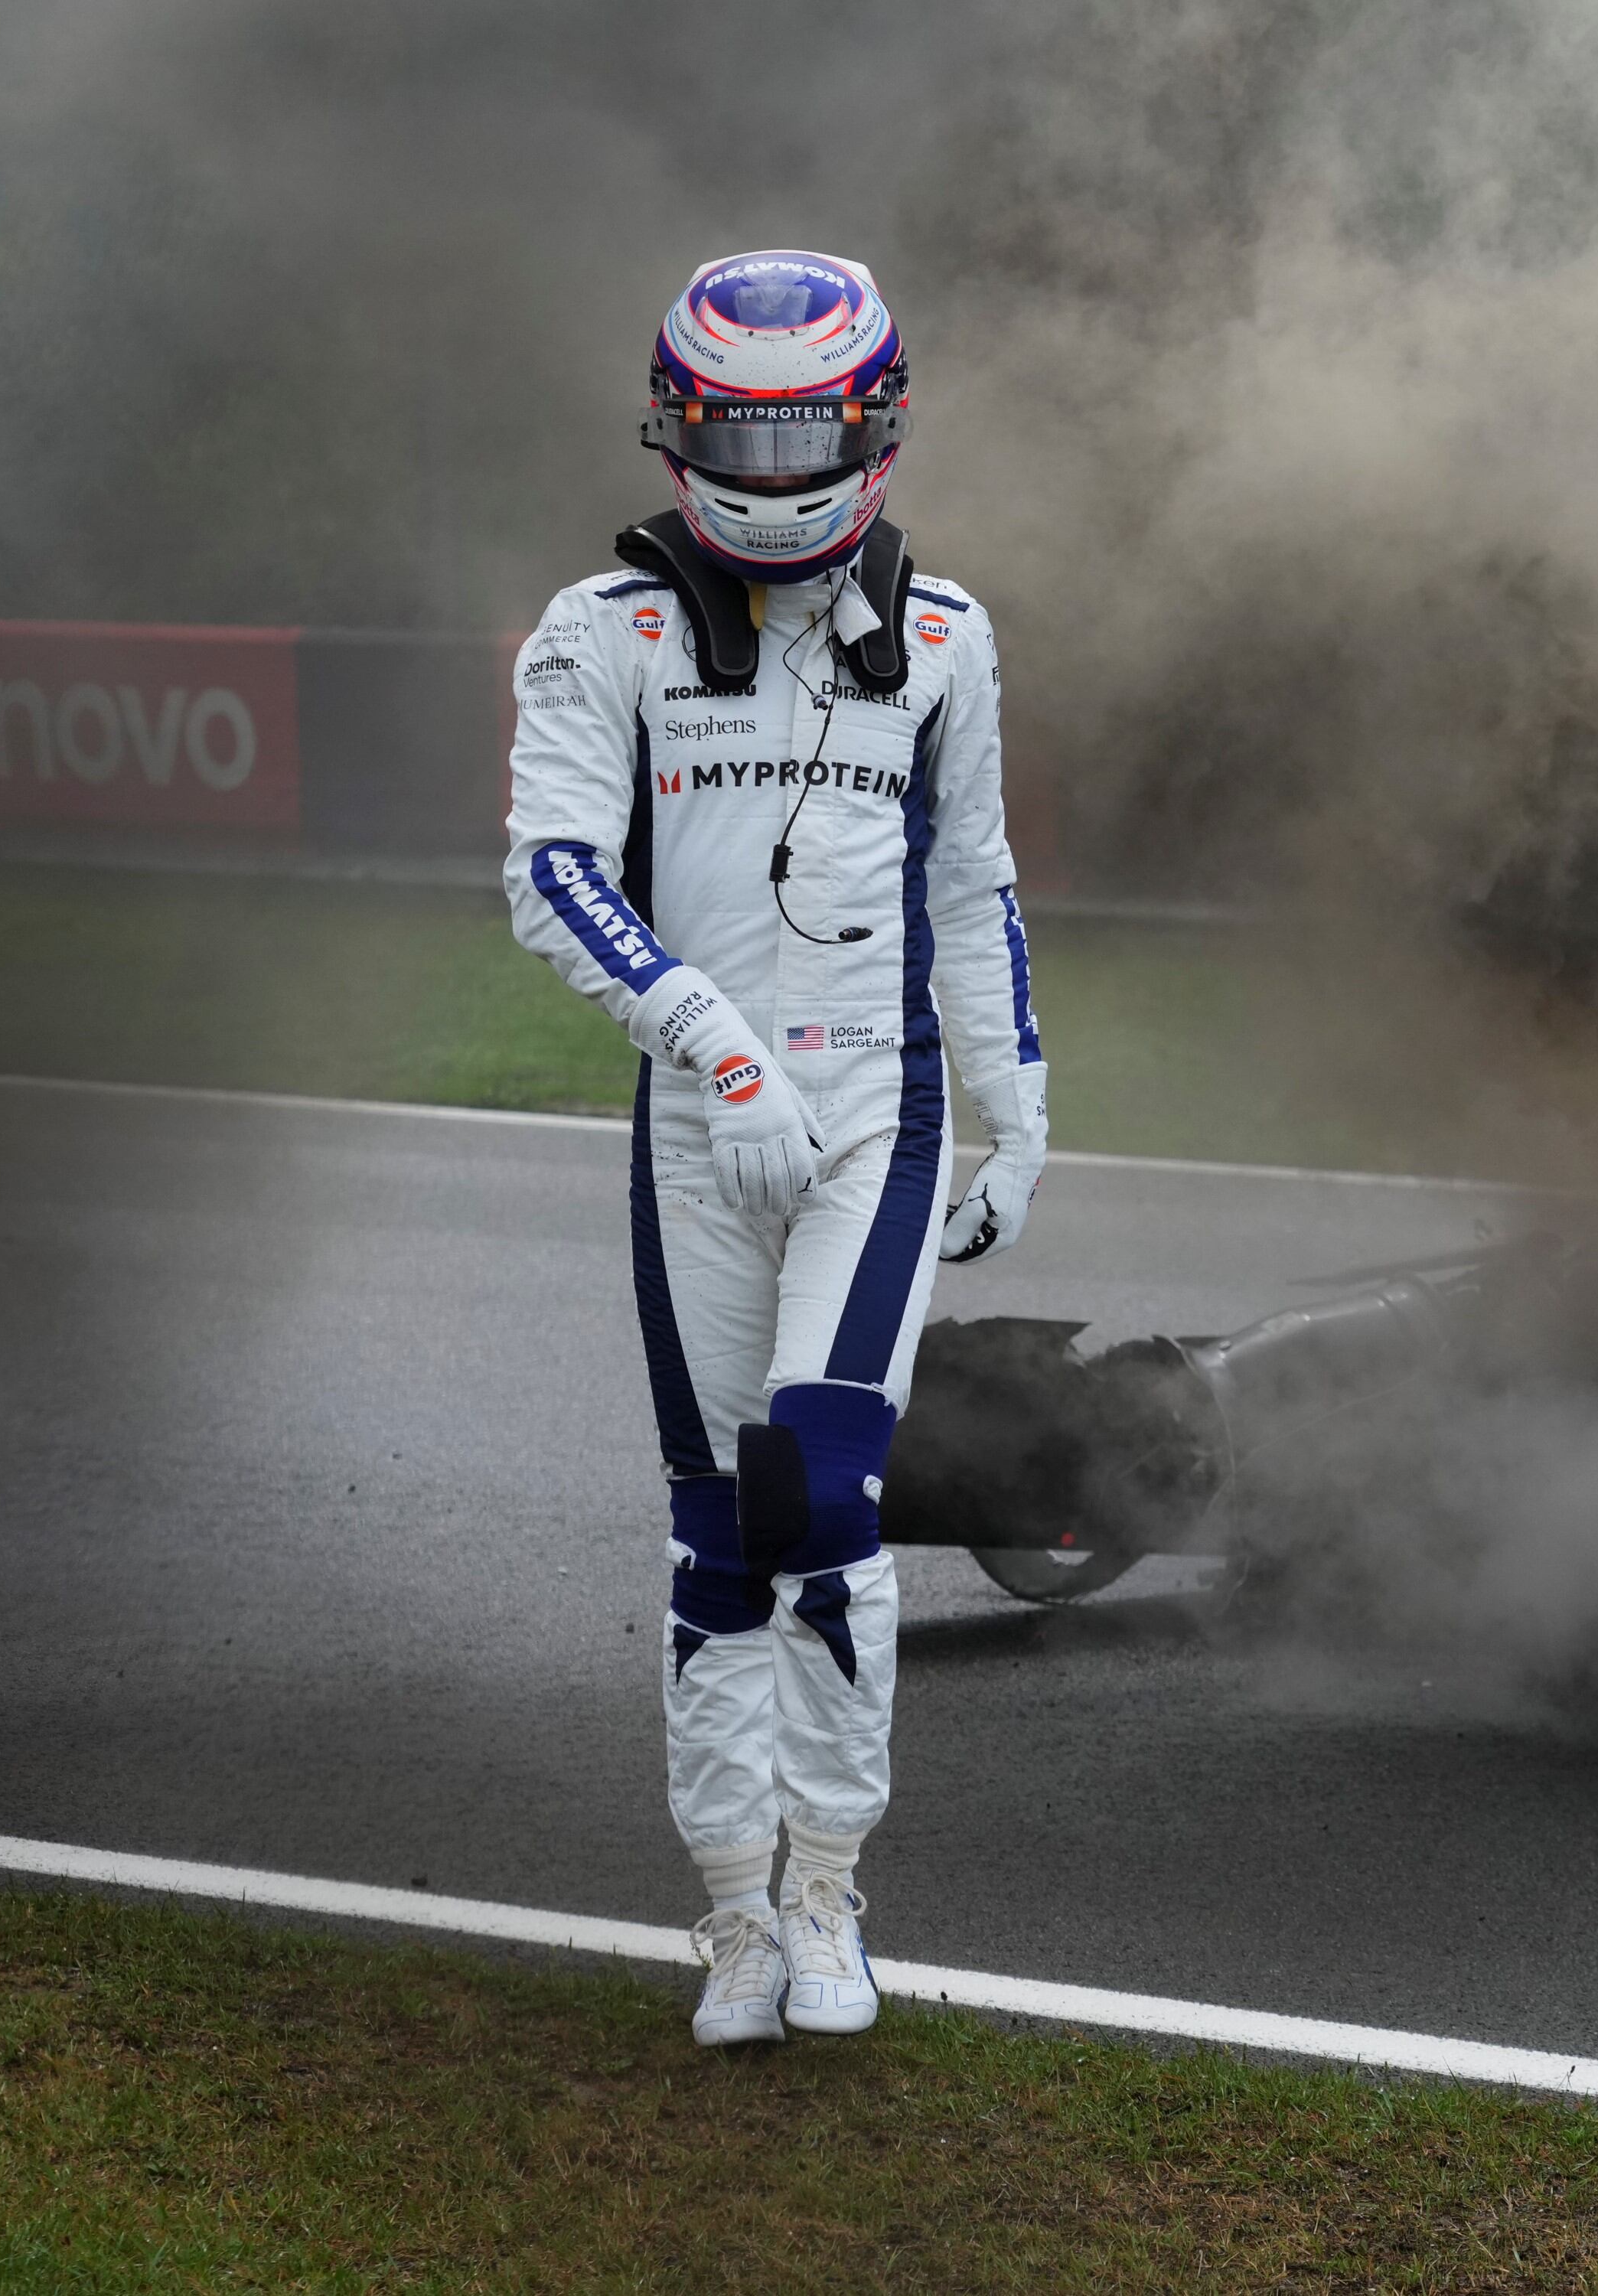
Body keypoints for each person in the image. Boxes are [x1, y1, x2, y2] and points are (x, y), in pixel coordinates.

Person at [504, 249, 1046, 2047]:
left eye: (804, 423)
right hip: (699, 1129)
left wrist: (1015, 1100)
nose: (770, 460)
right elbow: (551, 876)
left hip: (875, 1121)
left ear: (873, 427)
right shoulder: (604, 633)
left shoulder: (950, 639)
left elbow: (974, 888)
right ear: (674, 429)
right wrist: (712, 1046)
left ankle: (833, 1892)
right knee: (718, 1534)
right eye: (735, 426)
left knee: (824, 1484)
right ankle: (735, 1917)